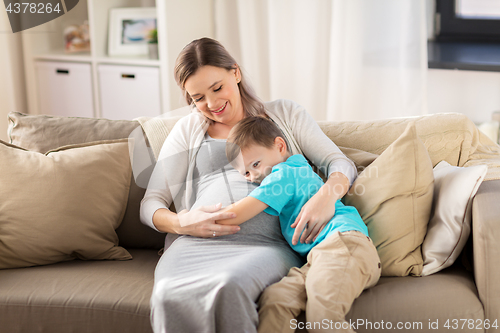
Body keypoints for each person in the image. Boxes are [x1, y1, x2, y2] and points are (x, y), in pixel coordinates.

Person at [140, 37, 358, 333]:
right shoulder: (188, 130)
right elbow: (150, 203)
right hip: (196, 244)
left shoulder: (284, 115)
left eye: (217, 88)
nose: (212, 104)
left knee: (230, 286)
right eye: (198, 98)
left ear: (236, 73)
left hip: (266, 245)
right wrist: (181, 223)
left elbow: (340, 163)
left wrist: (326, 197)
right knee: (167, 294)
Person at [219, 116, 381, 333]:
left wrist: (197, 219)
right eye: (246, 173)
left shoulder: (285, 174)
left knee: (322, 315)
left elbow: (238, 213)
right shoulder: (296, 167)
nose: (254, 176)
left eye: (256, 164)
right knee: (275, 300)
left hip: (344, 244)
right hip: (317, 258)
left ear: (279, 146)